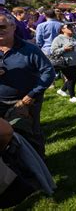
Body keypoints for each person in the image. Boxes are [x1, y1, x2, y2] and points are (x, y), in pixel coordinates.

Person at [0, 12, 55, 158]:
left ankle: (40, 168)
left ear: (13, 27)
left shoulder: (29, 49)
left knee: (31, 136)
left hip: (25, 101)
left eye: (2, 26)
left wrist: (30, 96)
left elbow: (48, 72)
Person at [51, 23, 76, 103]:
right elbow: (53, 51)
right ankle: (72, 96)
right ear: (63, 30)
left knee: (74, 77)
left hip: (75, 62)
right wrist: (64, 49)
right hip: (65, 62)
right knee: (71, 78)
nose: (70, 28)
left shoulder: (74, 37)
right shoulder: (58, 39)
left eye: (71, 26)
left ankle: (62, 90)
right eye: (68, 27)